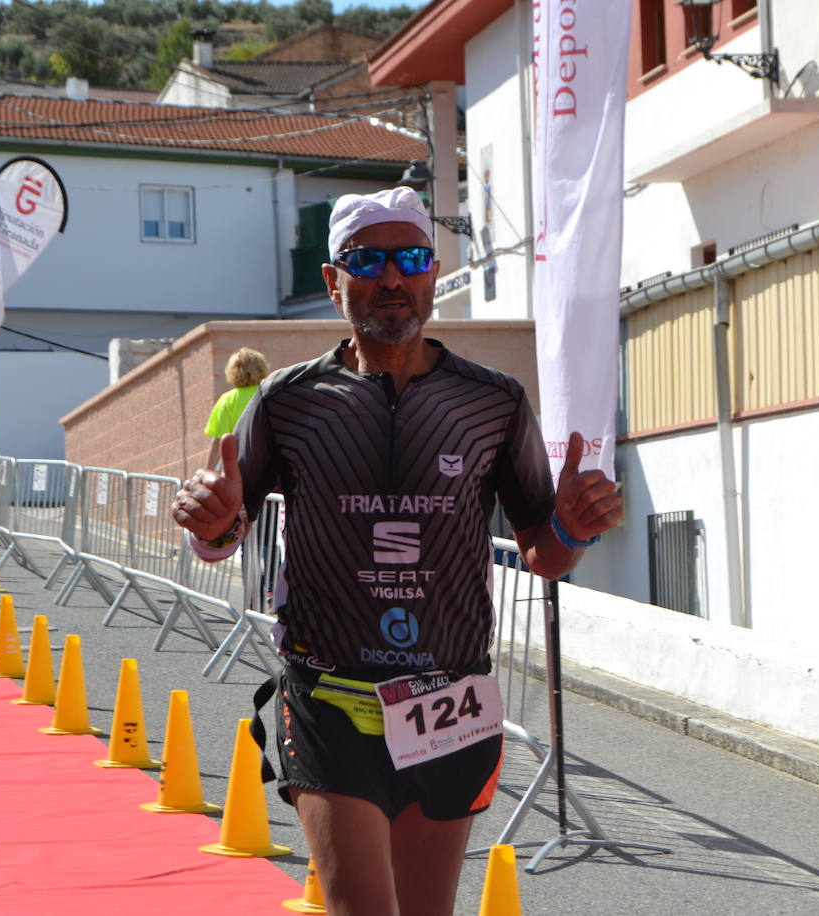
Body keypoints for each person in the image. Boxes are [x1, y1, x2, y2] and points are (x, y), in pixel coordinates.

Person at [172, 186, 621, 916]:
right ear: (332, 281)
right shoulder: (289, 401)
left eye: (409, 258)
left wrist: (569, 529)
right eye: (366, 260)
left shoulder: (492, 403)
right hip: (329, 702)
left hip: (449, 702)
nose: (390, 277)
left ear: (433, 274)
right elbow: (222, 539)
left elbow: (542, 553)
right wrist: (210, 524)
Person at [202, 347, 270, 469]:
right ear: (262, 368)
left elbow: (218, 440)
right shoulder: (269, 393)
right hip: (269, 461)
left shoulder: (227, 400)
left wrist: (208, 470)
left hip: (239, 466)